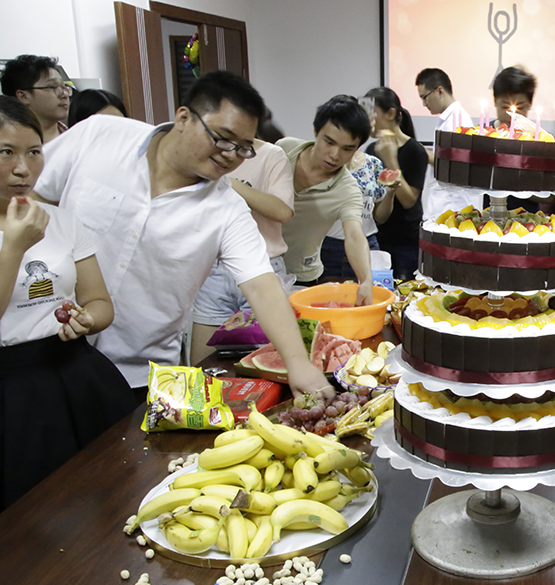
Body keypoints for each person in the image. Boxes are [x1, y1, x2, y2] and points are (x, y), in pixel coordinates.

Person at [33, 70, 332, 402]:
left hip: (138, 372)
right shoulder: (99, 136)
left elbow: (262, 285)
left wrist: (297, 364)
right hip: (39, 350)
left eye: (243, 148)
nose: (231, 154)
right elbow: (31, 194)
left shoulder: (226, 208)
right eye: (223, 138)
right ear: (184, 118)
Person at [0, 95, 135, 526]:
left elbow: (100, 302)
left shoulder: (62, 220)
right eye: (5, 152)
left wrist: (89, 320)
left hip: (75, 372)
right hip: (1, 388)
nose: (23, 168)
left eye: (34, 152)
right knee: (26, 519)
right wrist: (13, 247)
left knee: (112, 498)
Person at [191, 136, 295, 363]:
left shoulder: (272, 155)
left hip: (264, 266)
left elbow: (283, 211)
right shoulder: (202, 151)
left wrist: (228, 183)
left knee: (267, 362)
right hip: (213, 268)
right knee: (204, 364)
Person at [278, 95, 373, 304]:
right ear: (315, 131)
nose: (335, 155)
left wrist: (366, 279)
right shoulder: (285, 149)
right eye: (329, 142)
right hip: (254, 265)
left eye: (347, 149)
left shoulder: (348, 190)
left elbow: (354, 235)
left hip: (301, 276)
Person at [365, 87, 428, 281]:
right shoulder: (370, 150)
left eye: (372, 113)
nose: (368, 120)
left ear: (391, 113)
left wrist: (390, 160)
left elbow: (409, 201)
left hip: (406, 241)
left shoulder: (415, 150)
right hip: (378, 237)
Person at [415, 67, 481, 220]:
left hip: (453, 207)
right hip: (446, 206)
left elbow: (455, 166)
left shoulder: (457, 120)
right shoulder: (449, 119)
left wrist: (422, 153)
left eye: (425, 97)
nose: (424, 104)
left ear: (439, 91)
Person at [321, 147, 392, 280]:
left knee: (371, 289)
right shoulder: (327, 163)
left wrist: (391, 193)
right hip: (330, 244)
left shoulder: (373, 163)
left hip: (367, 242)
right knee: (331, 291)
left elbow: (380, 217)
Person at [489, 66, 539, 213]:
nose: (512, 115)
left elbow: (547, 195)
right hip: (488, 219)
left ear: (530, 105)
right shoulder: (482, 136)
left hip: (527, 219)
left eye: (520, 108)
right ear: (495, 101)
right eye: (505, 107)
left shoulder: (539, 141)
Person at [0, 55, 71, 143]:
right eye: (52, 86)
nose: (64, 94)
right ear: (23, 96)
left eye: (64, 87)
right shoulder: (6, 141)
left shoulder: (77, 138)